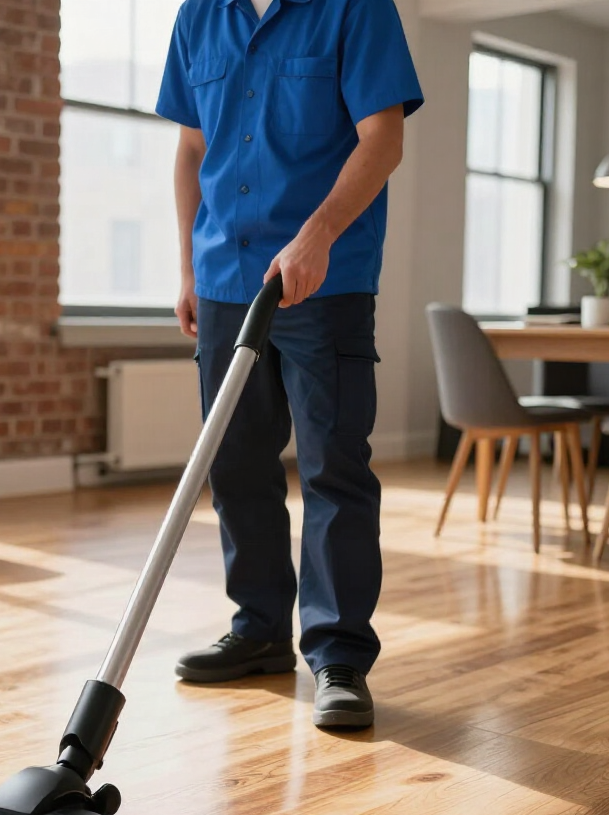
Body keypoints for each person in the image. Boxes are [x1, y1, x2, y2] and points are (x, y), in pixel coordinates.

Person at [156, 0, 423, 729]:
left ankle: (338, 654)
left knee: (334, 463)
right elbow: (191, 148)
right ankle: (260, 629)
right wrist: (186, 268)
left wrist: (317, 235)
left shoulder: (356, 8)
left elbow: (383, 137)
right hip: (221, 278)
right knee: (235, 462)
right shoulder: (199, 16)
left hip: (324, 277)